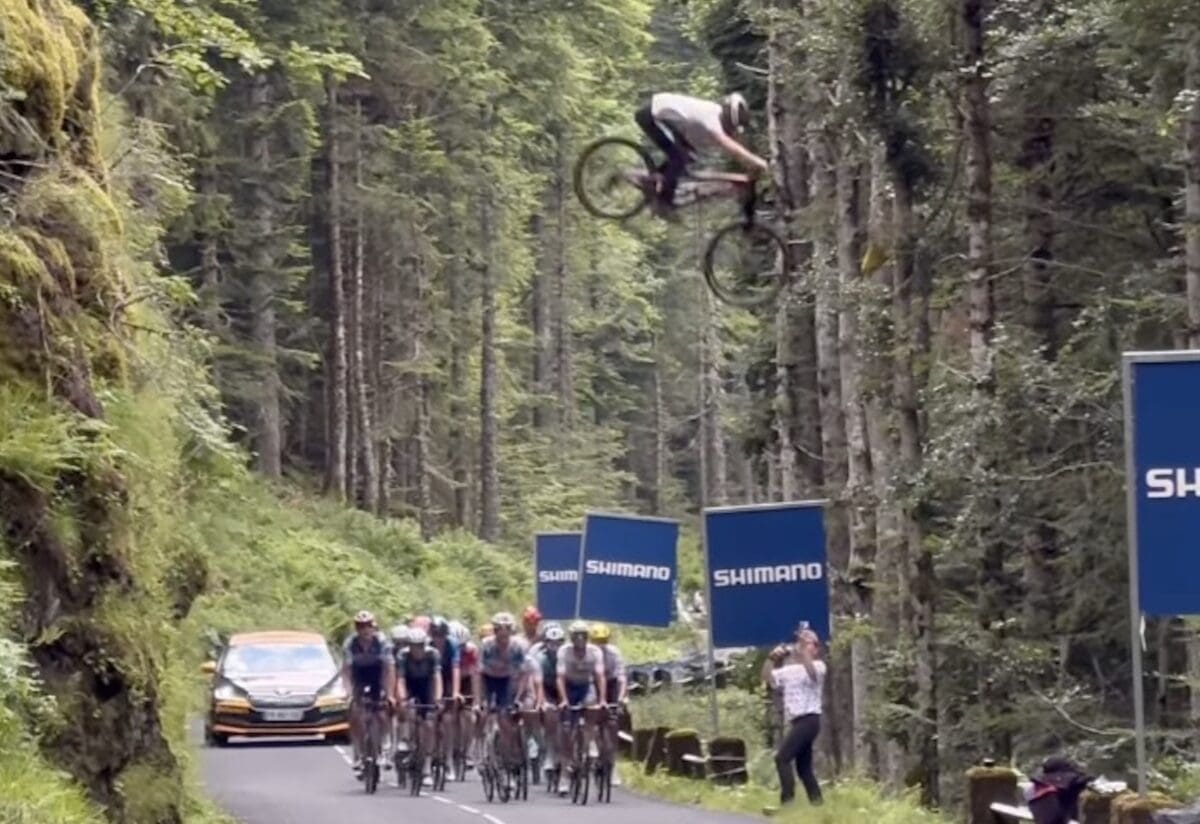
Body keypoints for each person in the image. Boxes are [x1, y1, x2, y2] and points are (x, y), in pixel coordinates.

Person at [634, 91, 769, 219]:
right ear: (727, 118)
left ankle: (653, 180)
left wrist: (750, 164)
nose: (731, 131)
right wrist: (757, 161)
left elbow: (735, 144)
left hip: (664, 117)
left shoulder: (717, 115)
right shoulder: (712, 119)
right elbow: (729, 144)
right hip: (652, 115)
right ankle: (663, 203)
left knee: (687, 157)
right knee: (679, 158)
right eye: (731, 126)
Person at [761, 627, 825, 808]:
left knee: (782, 758)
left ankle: (787, 803)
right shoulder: (789, 671)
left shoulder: (819, 666)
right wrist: (771, 659)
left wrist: (804, 649)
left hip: (809, 719)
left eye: (812, 643)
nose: (807, 646)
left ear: (816, 648)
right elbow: (768, 678)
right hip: (797, 720)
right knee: (804, 769)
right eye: (804, 642)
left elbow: (812, 673)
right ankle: (818, 805)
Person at [341, 610, 395, 773]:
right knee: (355, 713)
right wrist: (349, 693)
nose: (365, 630)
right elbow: (346, 671)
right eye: (360, 627)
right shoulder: (350, 644)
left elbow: (389, 669)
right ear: (356, 629)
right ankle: (358, 753)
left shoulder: (382, 642)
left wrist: (389, 694)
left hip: (377, 675)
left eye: (368, 626)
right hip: (359, 675)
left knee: (383, 710)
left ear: (373, 627)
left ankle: (384, 745)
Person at [474, 611, 526, 710]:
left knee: (504, 715)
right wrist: (477, 700)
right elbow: (477, 673)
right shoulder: (486, 645)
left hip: (506, 680)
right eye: (499, 631)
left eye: (508, 630)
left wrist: (518, 697)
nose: (504, 634)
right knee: (483, 712)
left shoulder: (518, 647)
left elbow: (524, 674)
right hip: (487, 679)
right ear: (495, 631)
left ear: (511, 631)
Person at [429, 616, 462, 701]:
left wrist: (456, 692)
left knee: (452, 694)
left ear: (446, 634)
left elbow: (456, 668)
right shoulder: (428, 646)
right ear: (431, 635)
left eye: (441, 635)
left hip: (449, 672)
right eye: (435, 635)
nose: (438, 639)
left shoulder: (453, 644)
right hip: (433, 674)